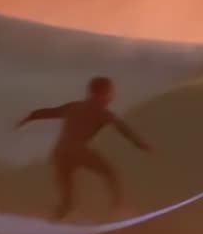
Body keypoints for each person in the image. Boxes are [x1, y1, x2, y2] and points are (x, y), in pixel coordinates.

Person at [16, 76, 152, 221]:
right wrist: (145, 147)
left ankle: (49, 227)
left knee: (67, 203)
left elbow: (42, 113)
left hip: (60, 154)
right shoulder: (103, 113)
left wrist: (23, 122)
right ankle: (119, 209)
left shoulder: (74, 106)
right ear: (101, 94)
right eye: (110, 93)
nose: (112, 97)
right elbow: (125, 131)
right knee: (110, 172)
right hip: (77, 150)